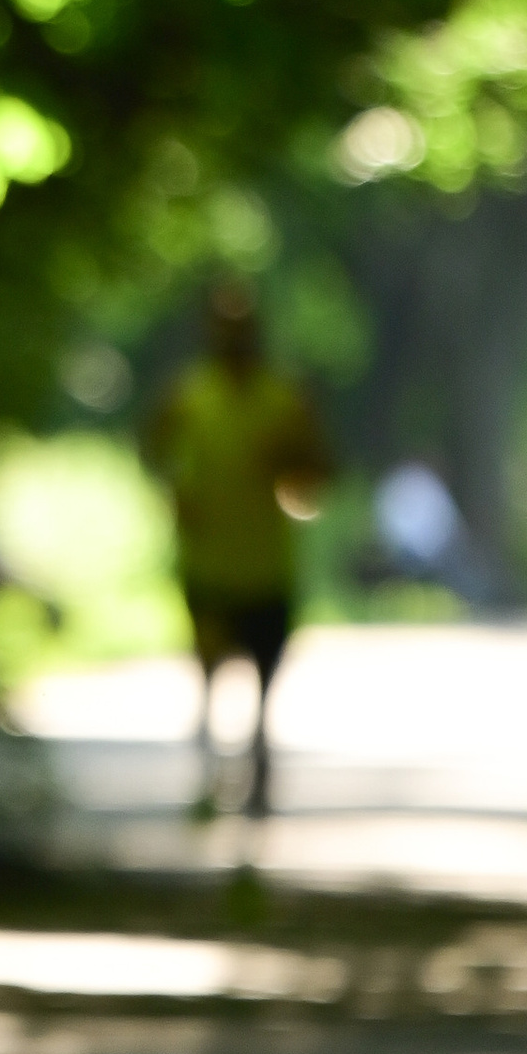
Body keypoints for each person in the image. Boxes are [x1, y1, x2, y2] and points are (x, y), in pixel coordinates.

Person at [140, 283, 336, 817]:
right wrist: (176, 494)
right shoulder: (188, 394)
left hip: (267, 562)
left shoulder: (286, 396)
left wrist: (295, 464)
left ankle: (256, 762)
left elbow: (320, 471)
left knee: (263, 675)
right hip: (207, 561)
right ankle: (209, 770)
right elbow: (152, 449)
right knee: (208, 669)